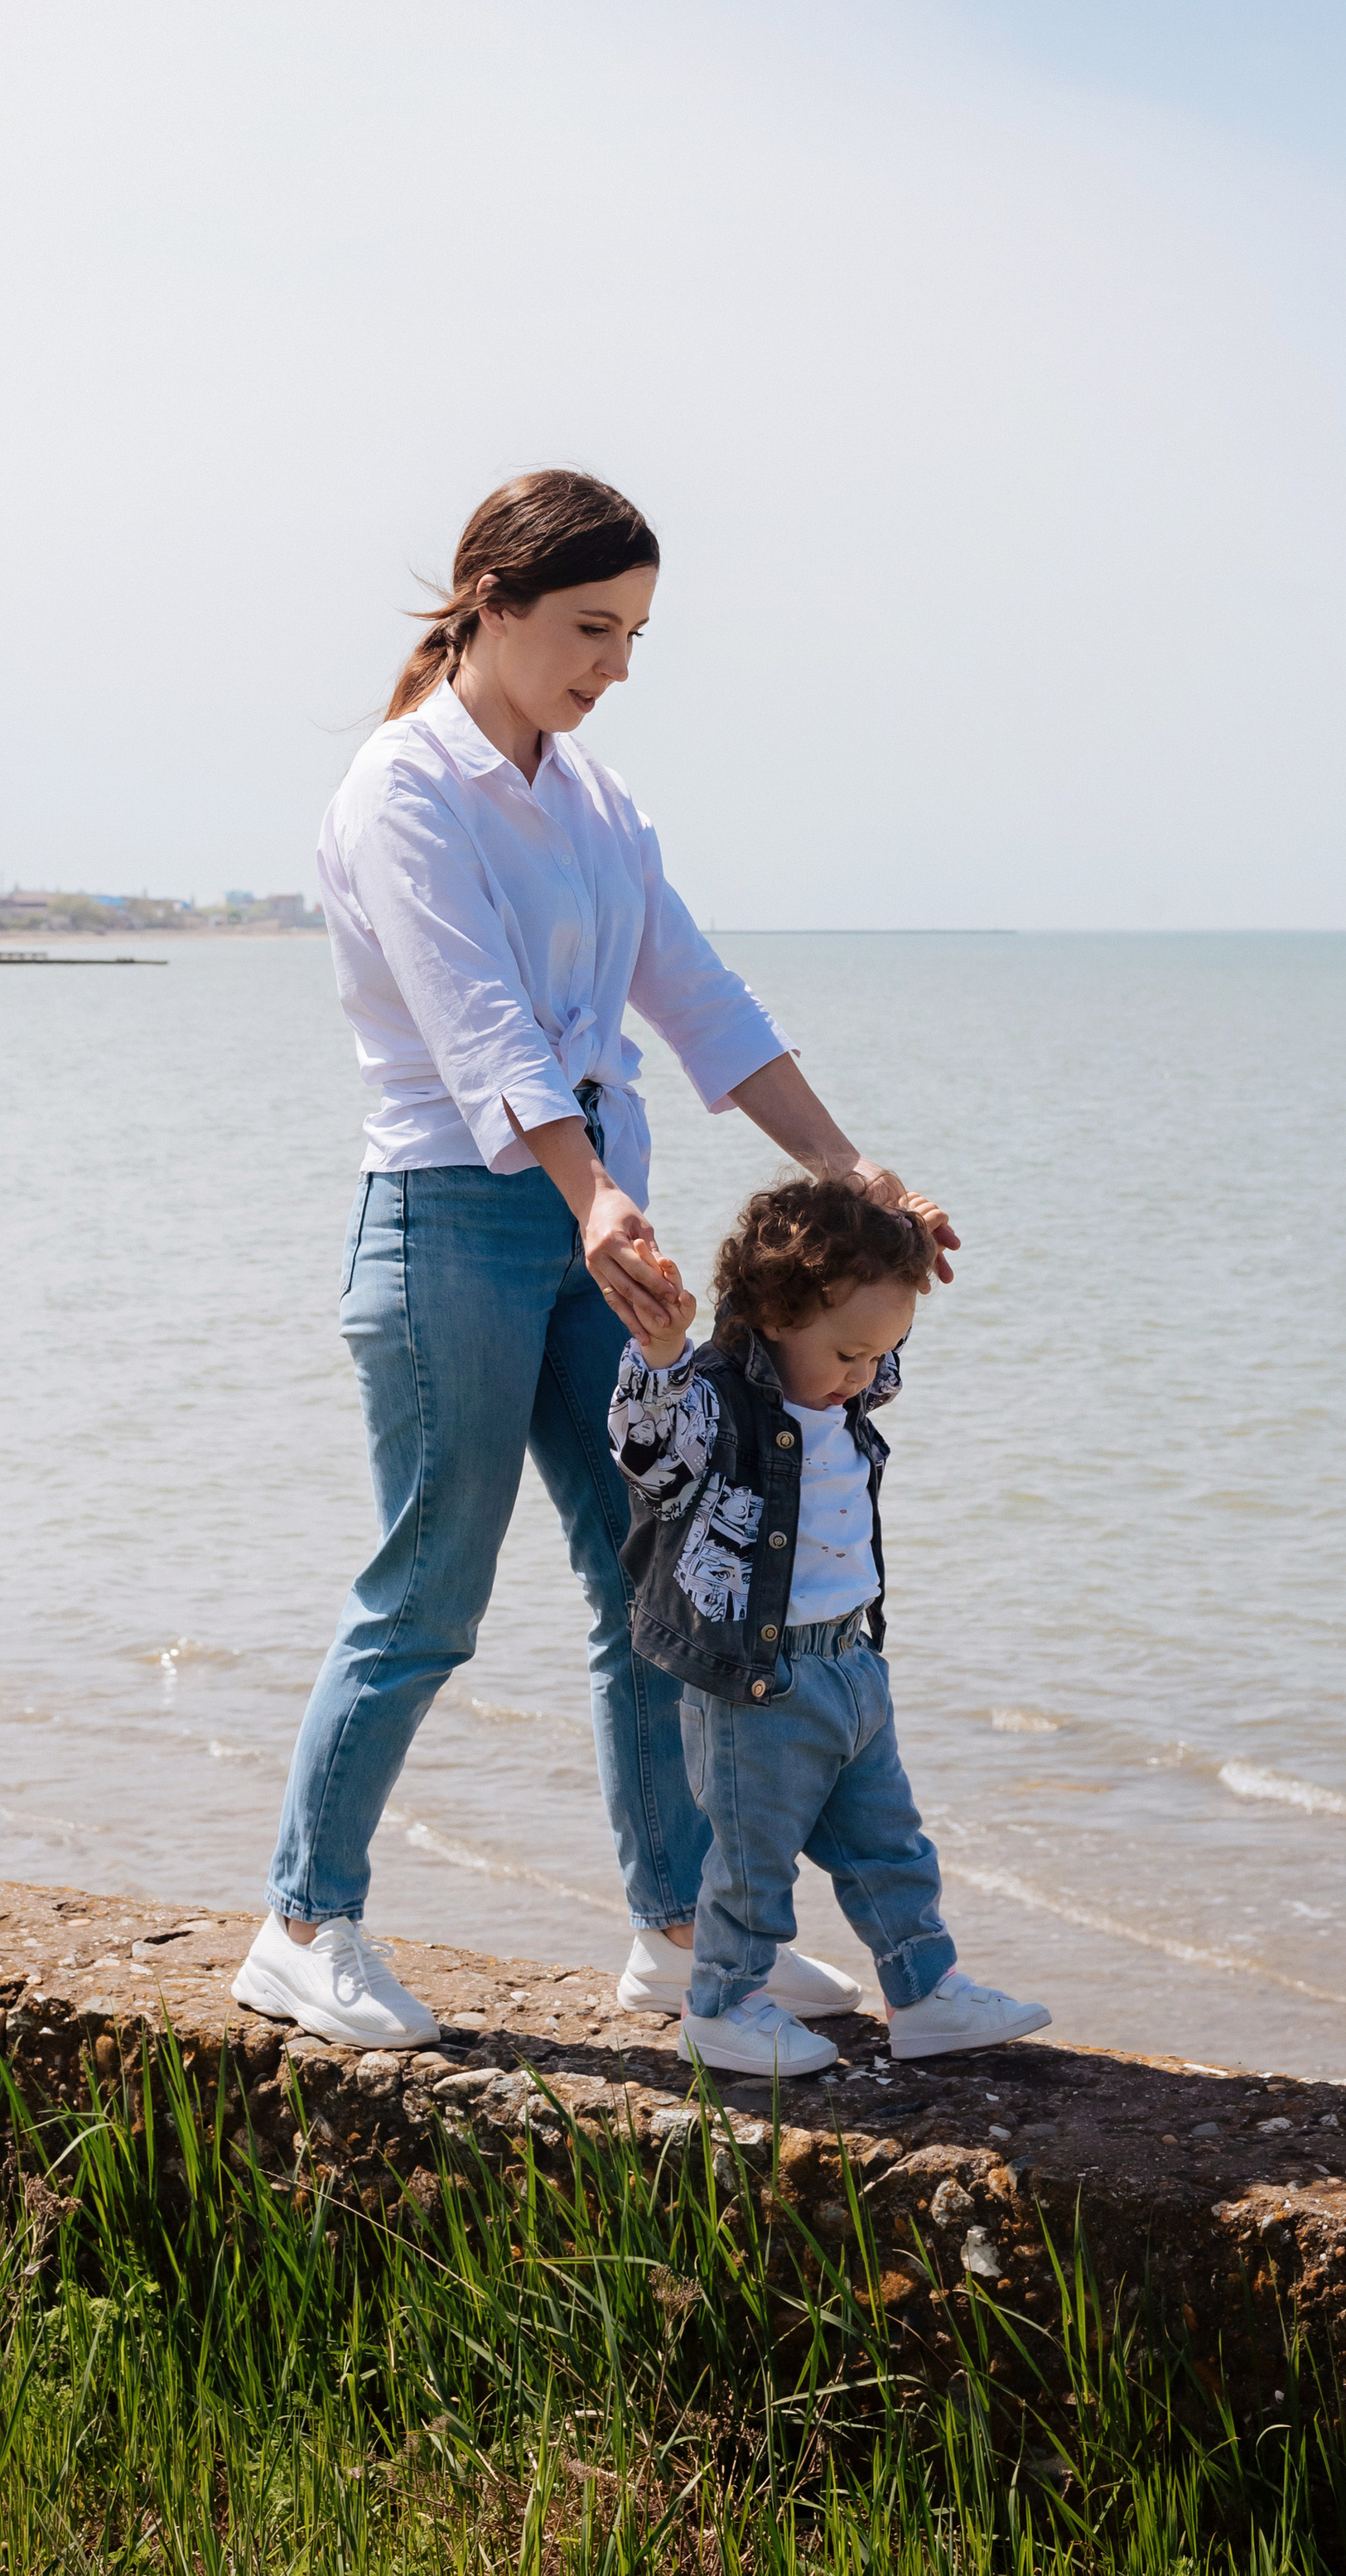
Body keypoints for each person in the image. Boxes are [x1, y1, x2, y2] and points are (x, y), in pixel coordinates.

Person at [231, 469, 959, 2049]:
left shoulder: (596, 801)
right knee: (427, 1587)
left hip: (593, 1223)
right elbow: (474, 1017)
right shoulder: (399, 789)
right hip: (454, 1223)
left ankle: (677, 1923)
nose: (612, 665)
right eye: (587, 627)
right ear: (487, 600)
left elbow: (698, 996)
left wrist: (851, 1171)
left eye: (633, 634)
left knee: (655, 1580)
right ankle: (303, 1919)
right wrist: (586, 1191)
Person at [608, 1176, 1053, 2077]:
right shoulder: (714, 1401)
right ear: (775, 1313)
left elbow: (869, 1341)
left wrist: (903, 1244)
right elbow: (647, 1453)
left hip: (850, 1668)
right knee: (750, 1864)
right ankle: (723, 2006)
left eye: (882, 1355)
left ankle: (924, 1995)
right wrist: (658, 1354)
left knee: (891, 1849)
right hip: (756, 1687)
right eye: (850, 1352)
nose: (865, 1376)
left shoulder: (838, 1394)